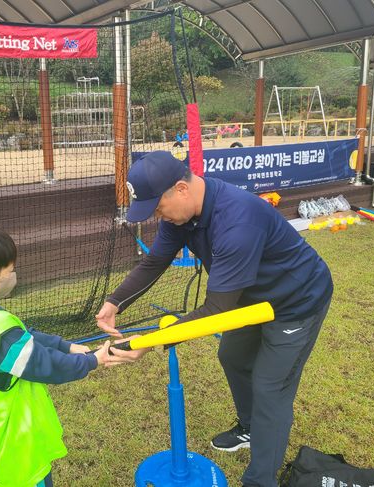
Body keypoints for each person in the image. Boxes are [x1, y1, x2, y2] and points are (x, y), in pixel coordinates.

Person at [97, 151, 333, 487]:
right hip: (248, 300)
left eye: (158, 207)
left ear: (181, 189)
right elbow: (155, 262)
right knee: (232, 356)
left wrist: (146, 344)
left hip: (295, 300)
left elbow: (217, 311)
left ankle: (259, 481)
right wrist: (115, 301)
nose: (158, 217)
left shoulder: (237, 220)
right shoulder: (180, 216)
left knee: (270, 389)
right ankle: (251, 428)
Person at [0, 223, 112, 487]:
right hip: (19, 449)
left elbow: (25, 339)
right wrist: (92, 360)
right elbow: (45, 365)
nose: (12, 277)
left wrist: (66, 345)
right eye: (8, 272)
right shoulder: (1, 331)